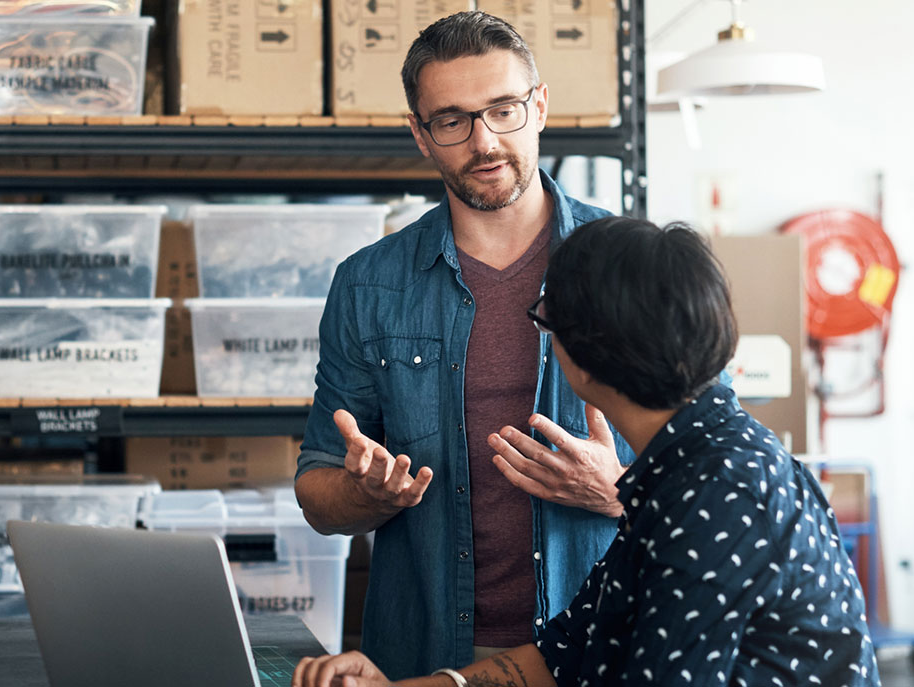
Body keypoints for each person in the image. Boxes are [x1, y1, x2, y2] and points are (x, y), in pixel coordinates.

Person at [292, 217, 881, 687]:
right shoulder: (683, 470)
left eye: (546, 321)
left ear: (586, 353)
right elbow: (565, 654)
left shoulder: (718, 495)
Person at [294, 11, 637, 680]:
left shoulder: (632, 264)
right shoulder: (368, 284)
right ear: (421, 135)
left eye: (503, 110)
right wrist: (369, 494)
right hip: (424, 656)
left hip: (600, 648)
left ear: (539, 107)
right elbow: (316, 489)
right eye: (452, 120)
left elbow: (720, 471)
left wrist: (617, 489)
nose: (484, 141)